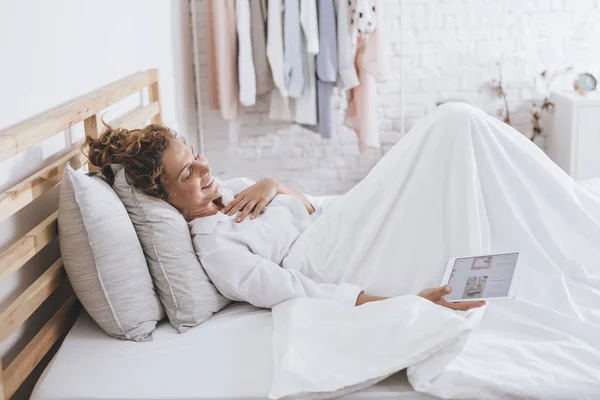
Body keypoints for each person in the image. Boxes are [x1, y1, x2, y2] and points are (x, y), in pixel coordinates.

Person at [89, 101, 595, 315]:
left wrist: (276, 183)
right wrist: (406, 304)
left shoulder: (236, 189)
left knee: (459, 139)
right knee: (452, 124)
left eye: (196, 156)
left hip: (339, 222)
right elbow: (301, 292)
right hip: (334, 257)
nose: (203, 171)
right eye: (186, 177)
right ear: (164, 200)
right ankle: (579, 218)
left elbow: (312, 208)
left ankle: (575, 218)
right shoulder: (217, 251)